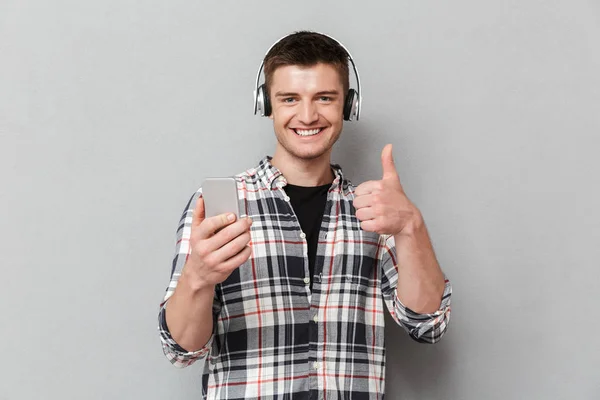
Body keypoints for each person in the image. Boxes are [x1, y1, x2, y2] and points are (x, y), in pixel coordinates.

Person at [158, 31, 452, 399]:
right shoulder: (220, 204)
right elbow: (181, 350)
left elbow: (428, 325)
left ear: (348, 105)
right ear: (266, 104)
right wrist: (198, 279)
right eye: (290, 98)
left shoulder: (378, 210)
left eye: (325, 98)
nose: (308, 115)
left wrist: (412, 226)